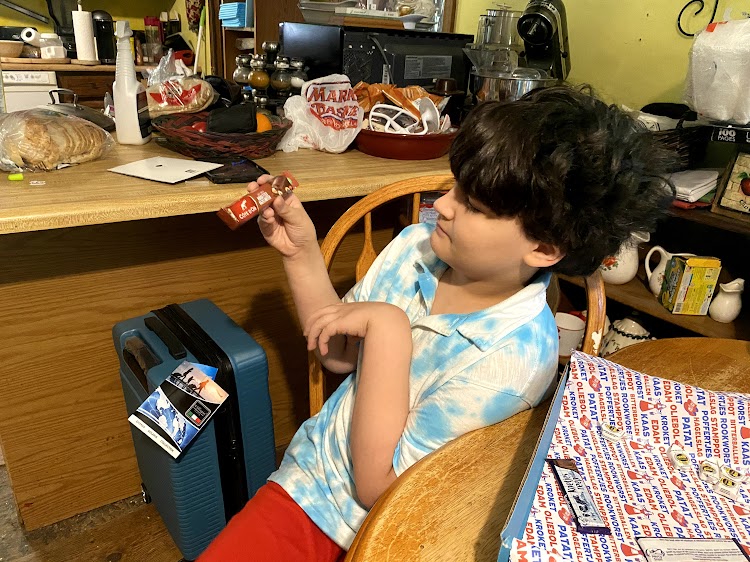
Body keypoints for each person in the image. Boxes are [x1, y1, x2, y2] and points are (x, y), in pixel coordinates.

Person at [198, 85, 675, 562]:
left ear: (543, 248)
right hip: (309, 487)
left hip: (398, 532)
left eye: (475, 207)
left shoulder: (513, 362)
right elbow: (338, 354)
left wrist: (388, 329)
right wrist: (301, 252)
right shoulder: (416, 247)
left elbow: (380, 490)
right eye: (456, 187)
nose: (444, 205)